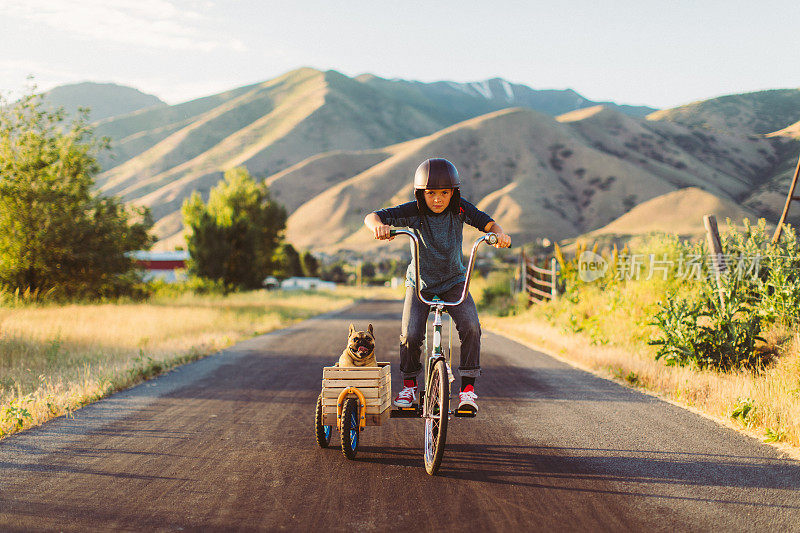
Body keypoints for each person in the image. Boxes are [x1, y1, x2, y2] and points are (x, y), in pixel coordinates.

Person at [363, 158, 511, 414]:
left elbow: (488, 223)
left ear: (454, 193)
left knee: (472, 327)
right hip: (419, 283)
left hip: (454, 281)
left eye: (445, 193)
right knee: (410, 335)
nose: (438, 199)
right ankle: (409, 387)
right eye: (431, 193)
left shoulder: (460, 209)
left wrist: (499, 235)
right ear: (421, 194)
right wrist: (378, 227)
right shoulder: (414, 211)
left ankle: (467, 392)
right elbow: (372, 216)